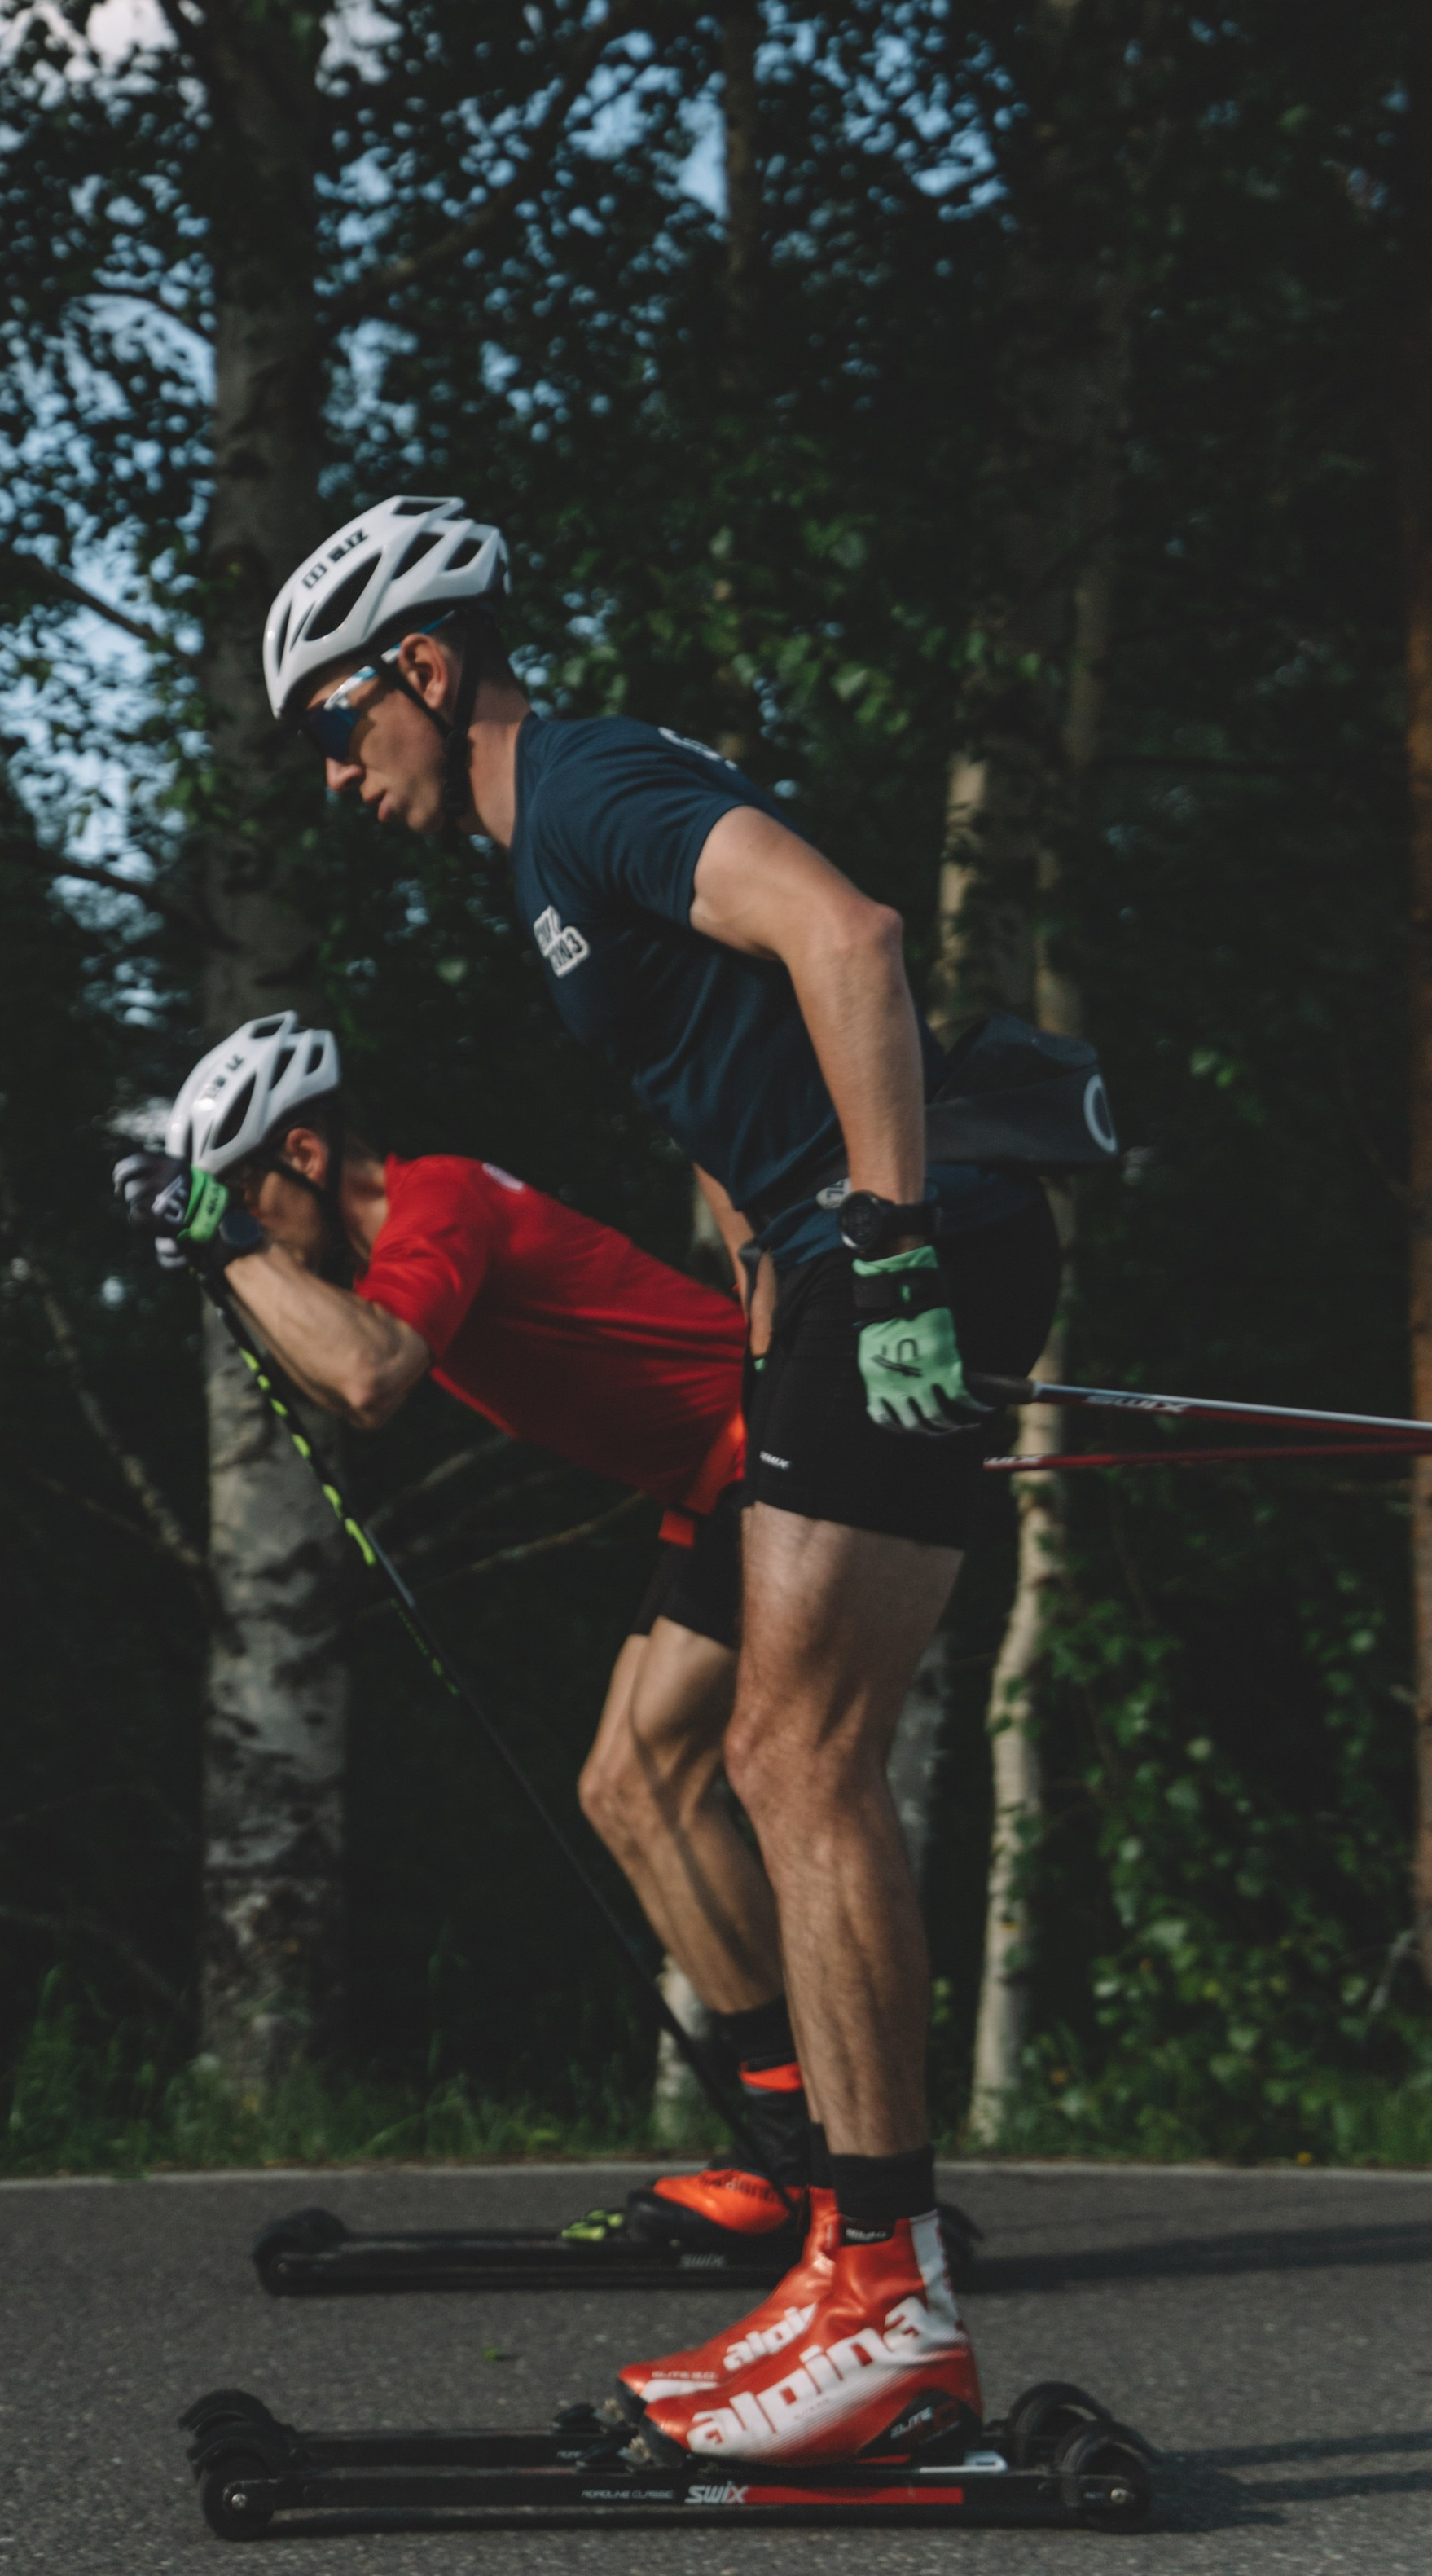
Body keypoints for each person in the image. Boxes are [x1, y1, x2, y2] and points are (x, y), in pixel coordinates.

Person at [257, 494, 1061, 2465]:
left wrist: (868, 1248)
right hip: (840, 1258)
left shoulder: (591, 785)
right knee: (779, 1759)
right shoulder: (548, 845)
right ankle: (855, 2282)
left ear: (422, 671)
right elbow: (732, 1048)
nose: (336, 777)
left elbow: (845, 938)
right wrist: (767, 1239)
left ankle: (883, 2306)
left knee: (793, 1759)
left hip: (901, 1245)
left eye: (338, 728)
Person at [115, 1008, 810, 2244]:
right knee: (624, 1788)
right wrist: (227, 1250)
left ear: (308, 1156)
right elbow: (342, 1352)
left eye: (251, 1194)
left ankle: (810, 2156)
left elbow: (372, 1377)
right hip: (718, 1477)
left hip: (768, 1453)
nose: (260, 1229)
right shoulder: (391, 1247)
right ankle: (798, 2142)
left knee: (653, 1778)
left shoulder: (437, 1200)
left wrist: (223, 1247)